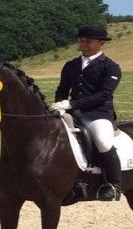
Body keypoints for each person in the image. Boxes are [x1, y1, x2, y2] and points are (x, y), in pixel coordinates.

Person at [49, 25, 122, 201]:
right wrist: (60, 104)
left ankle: (113, 185)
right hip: (72, 112)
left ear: (101, 43)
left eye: (88, 40)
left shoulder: (110, 67)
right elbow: (62, 89)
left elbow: (104, 95)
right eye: (81, 40)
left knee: (103, 142)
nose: (83, 43)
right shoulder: (71, 65)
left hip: (98, 113)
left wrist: (72, 103)